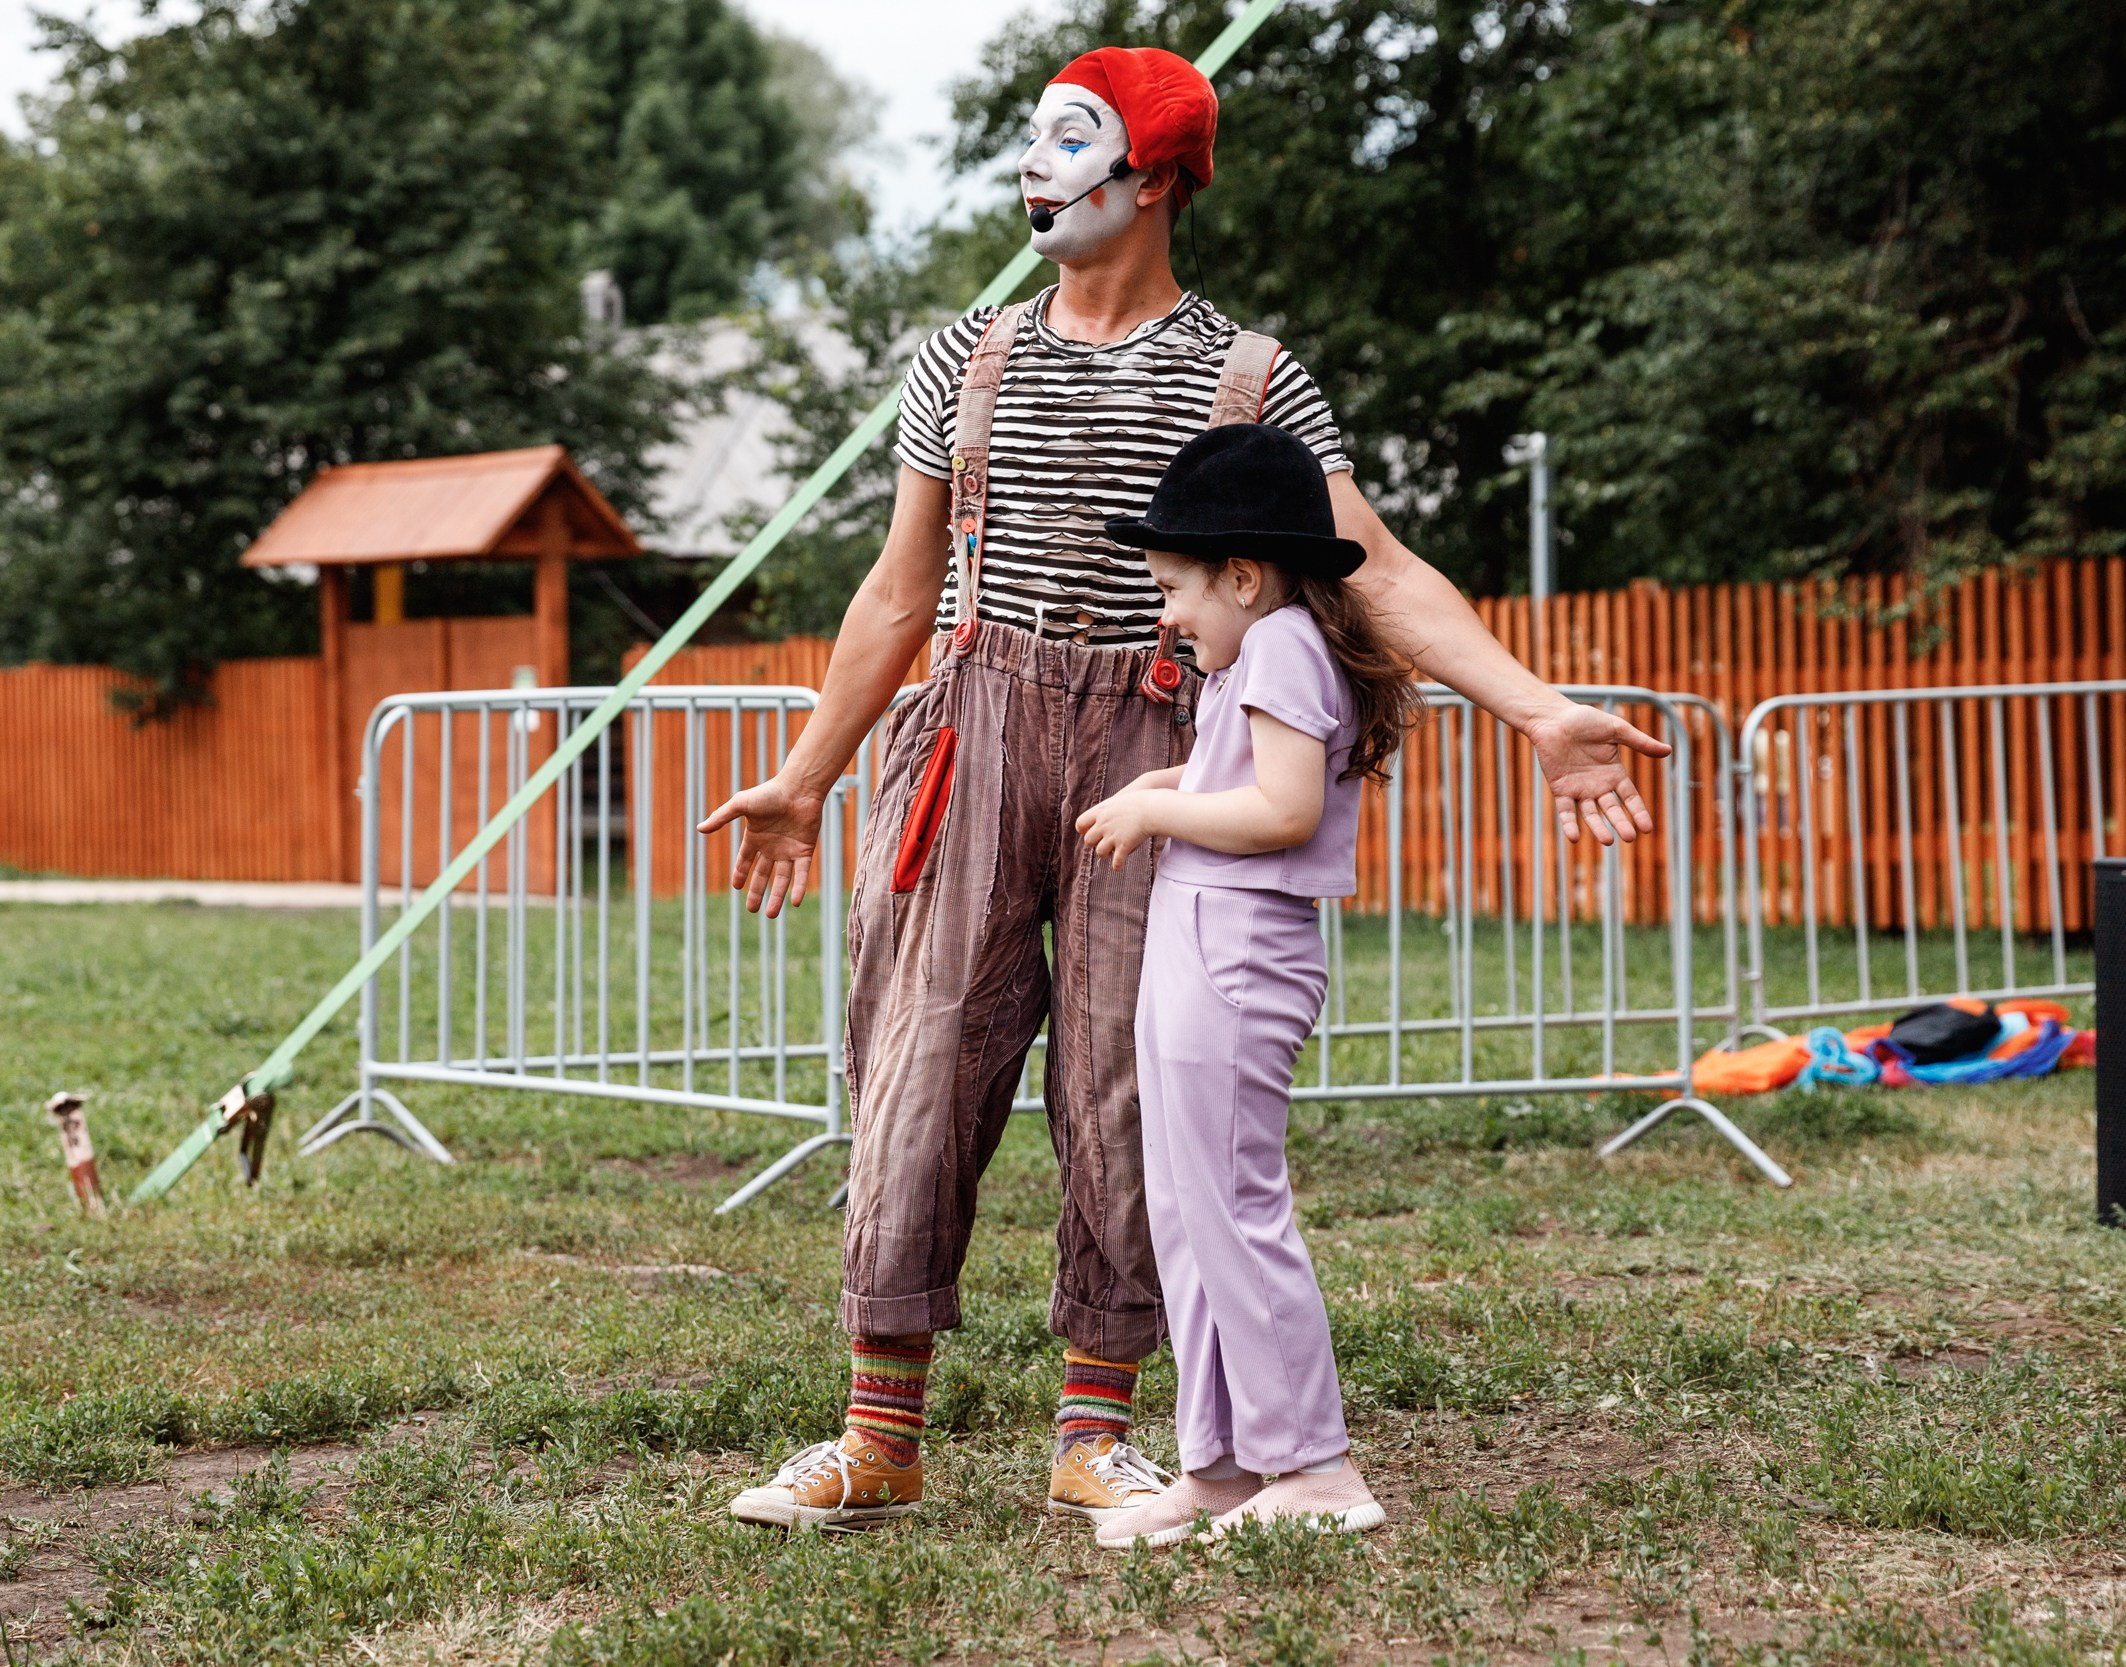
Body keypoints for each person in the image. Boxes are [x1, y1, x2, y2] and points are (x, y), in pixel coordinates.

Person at [707, 44, 1668, 1534]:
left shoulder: (1250, 376)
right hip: (971, 728)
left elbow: (1383, 566)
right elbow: (897, 591)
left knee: (1128, 1082)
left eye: (1069, 141)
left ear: (1151, 174)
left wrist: (1540, 709)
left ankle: (1097, 1430)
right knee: (917, 1056)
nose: (1035, 168)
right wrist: (804, 772)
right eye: (1030, 140)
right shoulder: (965, 357)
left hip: (1162, 740)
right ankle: (876, 1434)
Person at [1077, 423, 1409, 1545]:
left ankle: (1315, 1464)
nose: (1164, 610)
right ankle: (1219, 1460)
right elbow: (1251, 776)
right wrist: (1178, 775)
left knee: (1231, 1203)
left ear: (1243, 574)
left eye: (1173, 585)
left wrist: (1158, 804)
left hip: (1236, 948)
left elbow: (1282, 811)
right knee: (1186, 1211)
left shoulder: (1276, 646)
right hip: (1200, 936)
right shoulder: (1258, 651)